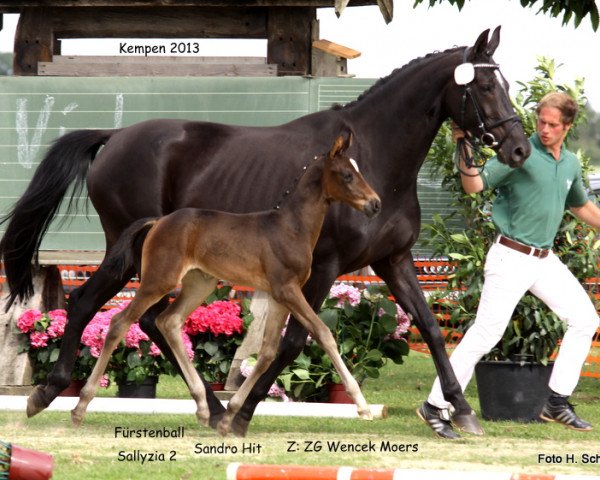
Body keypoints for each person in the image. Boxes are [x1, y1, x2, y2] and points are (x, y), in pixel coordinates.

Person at [417, 92, 600, 439]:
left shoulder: (571, 164)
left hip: (544, 261)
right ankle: (435, 404)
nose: (543, 129)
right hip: (510, 257)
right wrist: (463, 149)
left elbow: (580, 205)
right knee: (485, 335)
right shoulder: (520, 151)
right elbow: (474, 185)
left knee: (585, 319)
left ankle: (557, 401)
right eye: (540, 122)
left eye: (552, 125)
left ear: (567, 127)